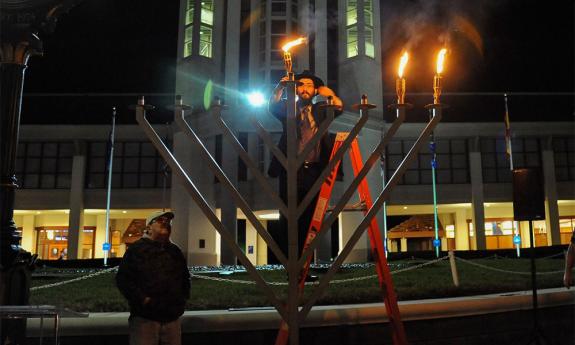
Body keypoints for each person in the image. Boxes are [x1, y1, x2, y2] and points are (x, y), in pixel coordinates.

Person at [268, 70, 343, 263]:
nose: (305, 88)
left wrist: (329, 94)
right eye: (301, 85)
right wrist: (280, 88)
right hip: (290, 169)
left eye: (310, 85)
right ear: (295, 88)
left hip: (316, 171)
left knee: (312, 217)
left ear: (315, 90)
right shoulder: (288, 108)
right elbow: (272, 106)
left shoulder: (321, 109)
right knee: (288, 216)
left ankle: (305, 263)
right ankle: (291, 263)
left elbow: (339, 107)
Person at [116, 211, 191, 345]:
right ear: (148, 227)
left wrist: (181, 300)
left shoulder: (175, 251)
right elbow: (124, 280)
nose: (165, 223)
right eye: (160, 220)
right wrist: (144, 300)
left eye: (168, 221)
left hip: (172, 318)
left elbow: (184, 278)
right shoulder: (136, 250)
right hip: (145, 320)